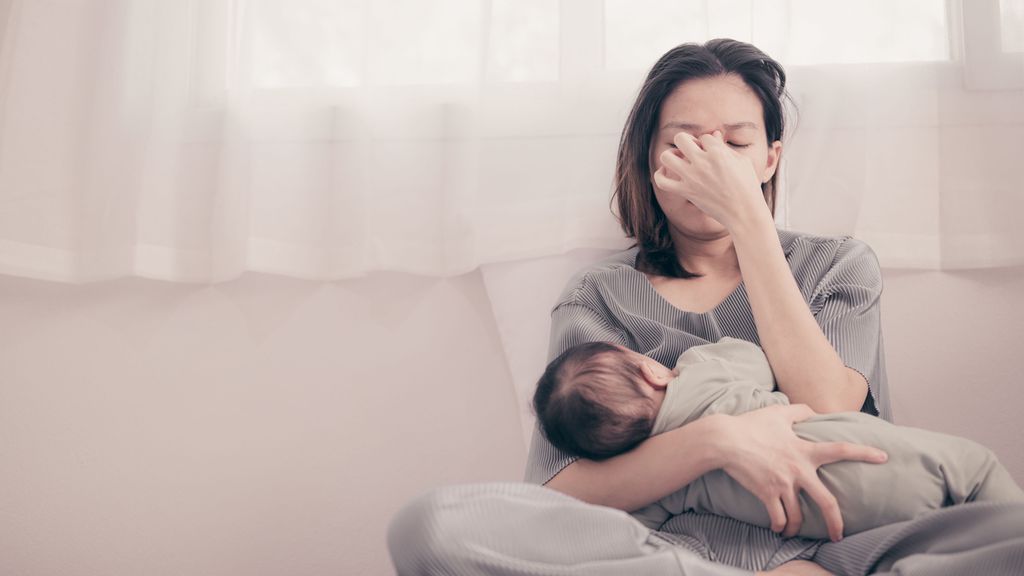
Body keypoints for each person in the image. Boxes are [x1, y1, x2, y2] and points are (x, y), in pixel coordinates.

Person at [387, 38, 1024, 575]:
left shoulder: (836, 265)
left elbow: (830, 404)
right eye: (685, 144)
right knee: (433, 525)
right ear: (650, 159)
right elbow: (559, 493)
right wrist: (718, 441)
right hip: (668, 555)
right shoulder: (599, 296)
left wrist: (749, 222)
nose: (710, 163)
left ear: (770, 159)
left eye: (735, 145)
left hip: (847, 542)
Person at [533, 336, 1024, 538]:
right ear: (652, 371)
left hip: (856, 528)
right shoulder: (701, 370)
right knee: (976, 468)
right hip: (885, 459)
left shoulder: (660, 486)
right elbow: (753, 357)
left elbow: (626, 524)